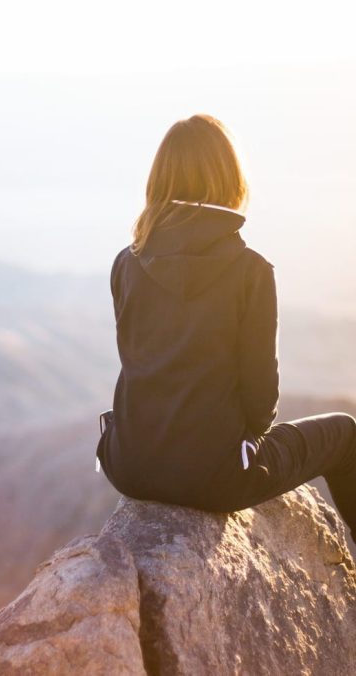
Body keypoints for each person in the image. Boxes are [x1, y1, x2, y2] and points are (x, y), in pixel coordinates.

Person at [96, 113, 356, 545]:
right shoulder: (250, 271)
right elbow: (261, 402)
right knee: (347, 435)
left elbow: (139, 361)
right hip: (215, 479)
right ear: (230, 178)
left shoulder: (127, 262)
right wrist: (238, 444)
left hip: (129, 467)